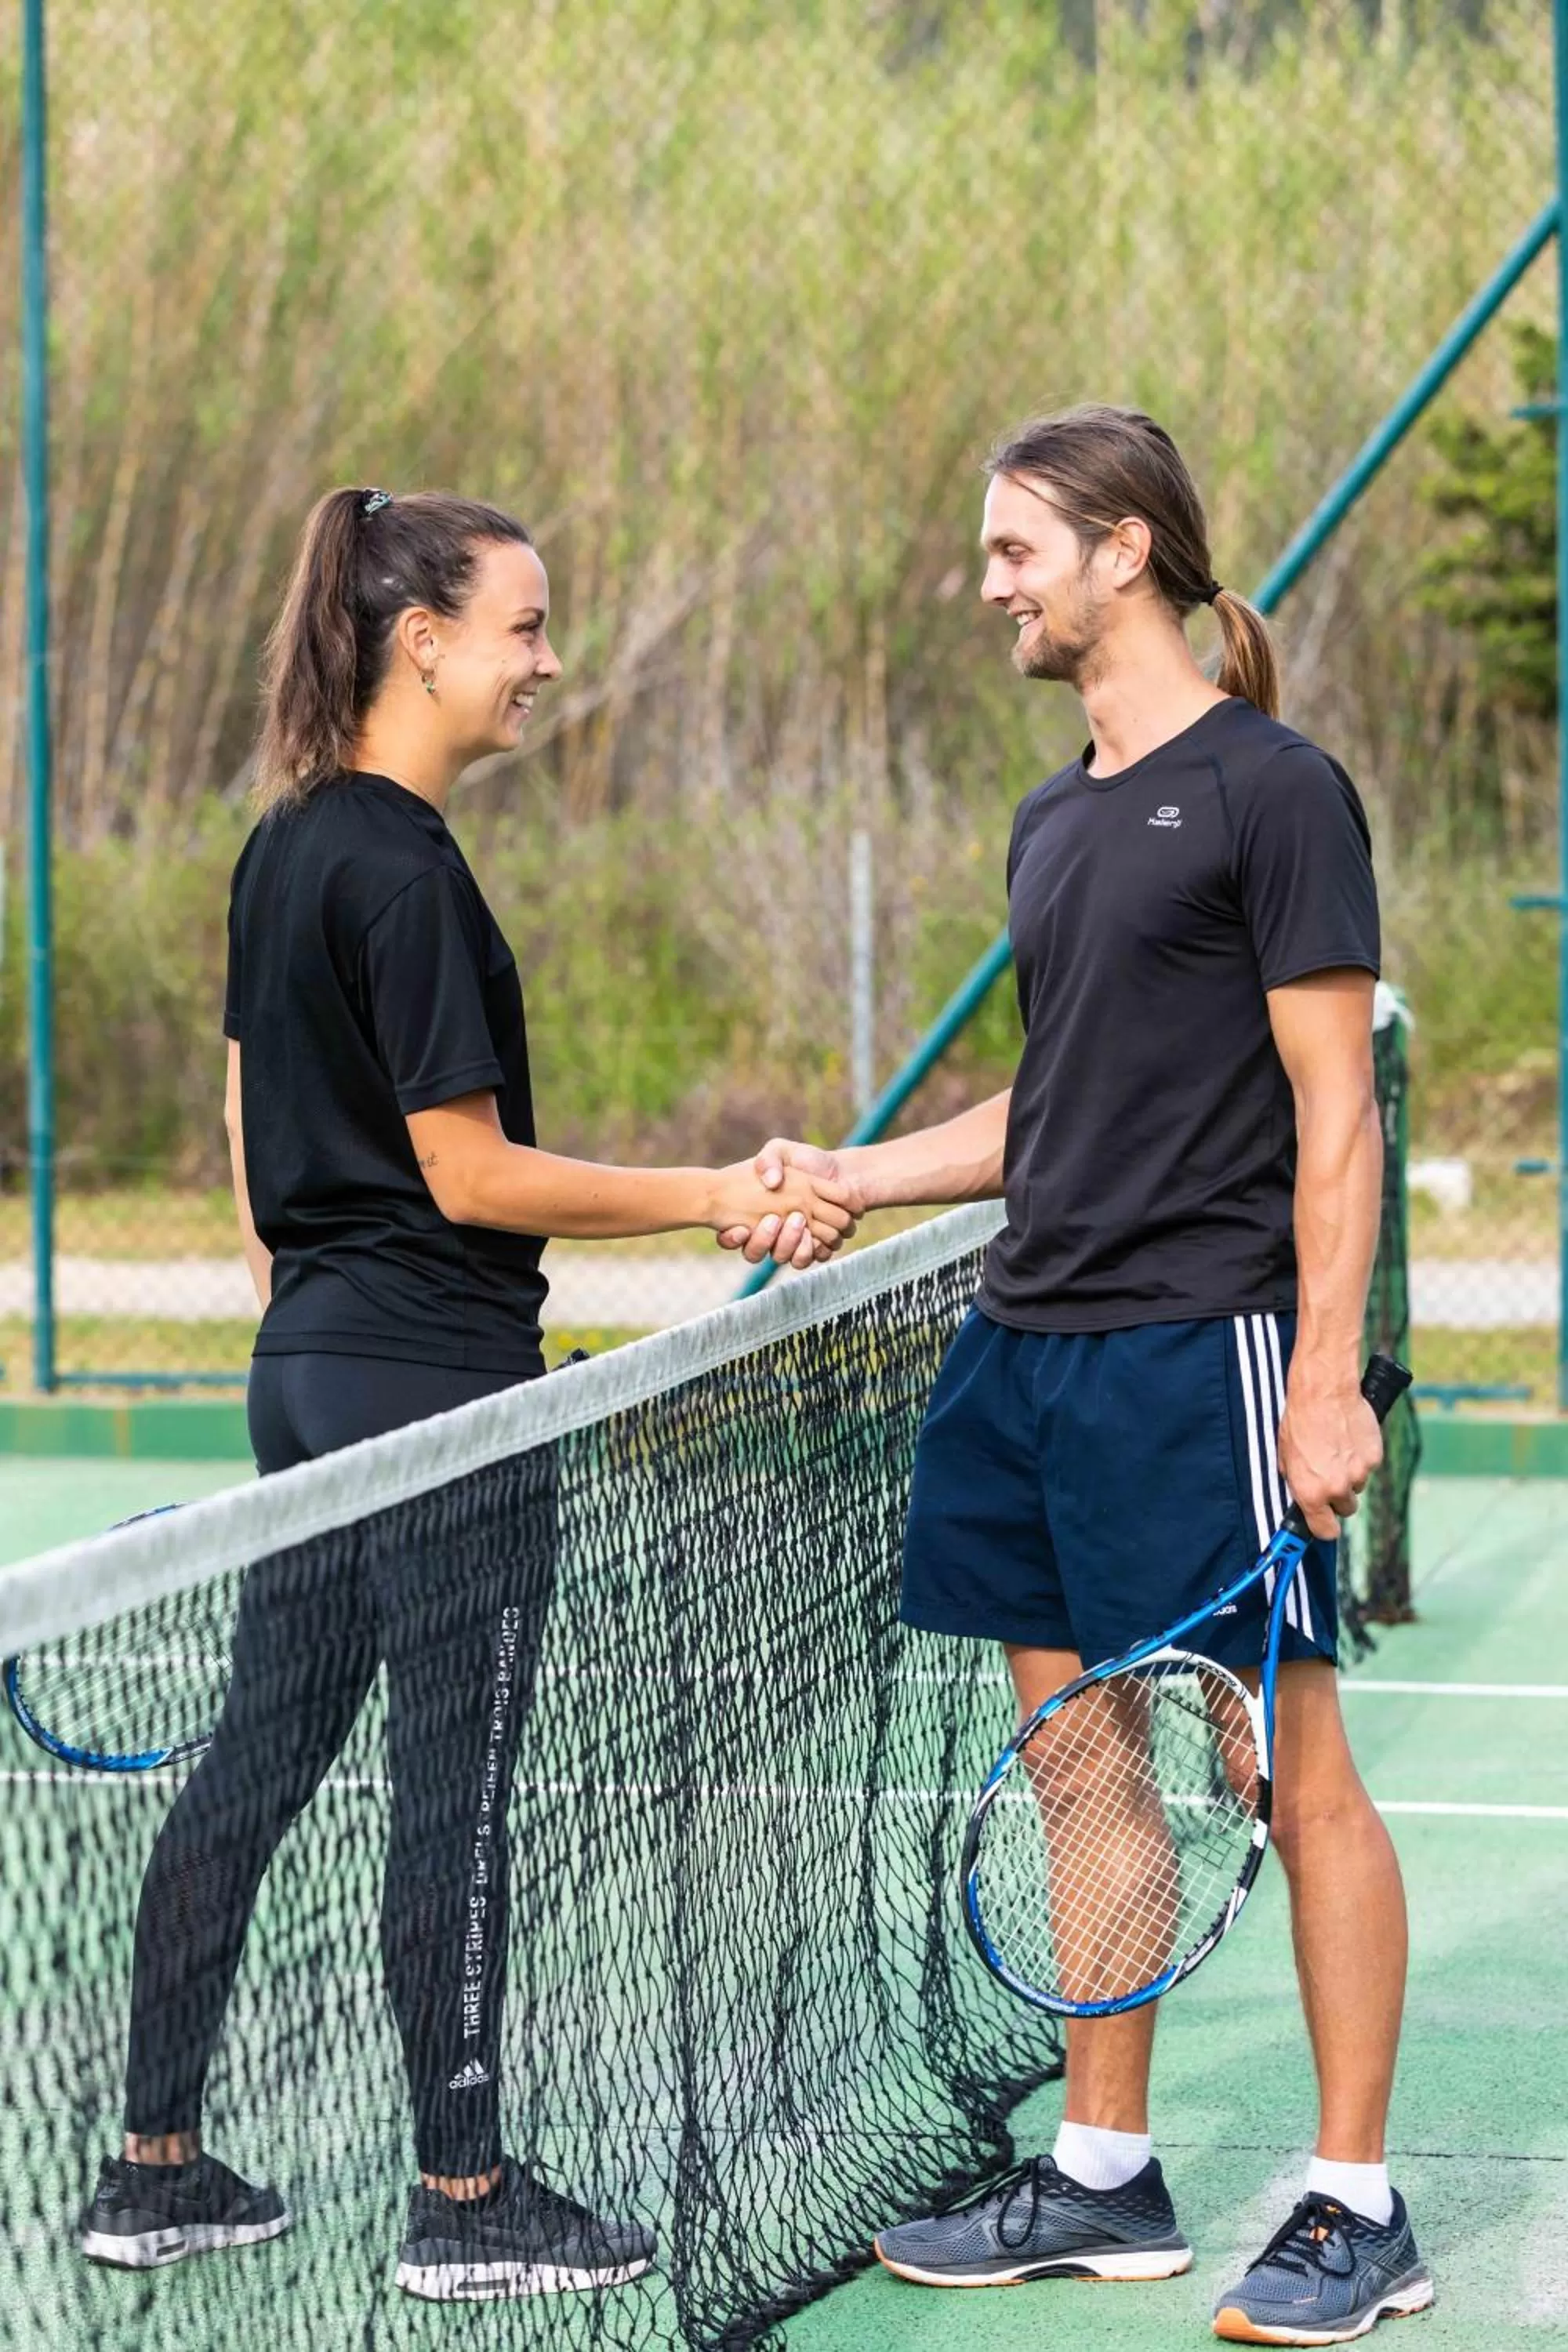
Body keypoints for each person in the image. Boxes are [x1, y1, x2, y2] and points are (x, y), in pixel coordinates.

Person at [79, 486, 855, 2303]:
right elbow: (475, 1178)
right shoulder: (406, 870)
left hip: (317, 1375)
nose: (546, 659)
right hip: (438, 1398)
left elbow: (242, 1107)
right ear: (418, 638)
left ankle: (154, 2167)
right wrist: (721, 1194)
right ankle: (464, 2191)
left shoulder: (283, 849)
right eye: (522, 625)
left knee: (260, 1756)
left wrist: (309, 1321)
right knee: (459, 1790)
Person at [727, 407, 1432, 2344]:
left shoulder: (1277, 793)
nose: (988, 585)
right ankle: (1104, 2177)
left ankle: (1356, 2202)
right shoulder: (1056, 817)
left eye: (1012, 550)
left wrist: (1324, 1379)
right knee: (1073, 1767)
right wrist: (853, 1175)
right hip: (1021, 1355)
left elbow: (1332, 1114)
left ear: (1122, 550)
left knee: (1285, 1774)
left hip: (1196, 1354)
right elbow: (1055, 1105)